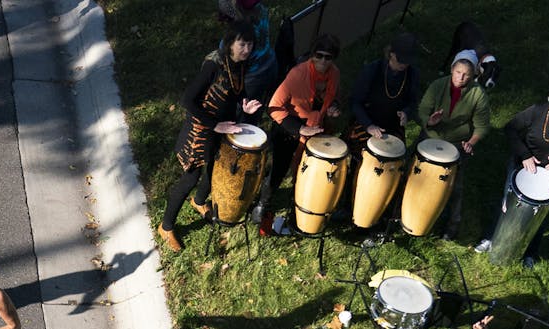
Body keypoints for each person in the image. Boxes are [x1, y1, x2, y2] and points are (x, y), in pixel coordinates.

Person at [157, 23, 262, 252]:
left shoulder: (240, 64)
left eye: (250, 44)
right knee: (190, 179)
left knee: (214, 168)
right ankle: (165, 227)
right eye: (241, 44)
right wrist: (214, 125)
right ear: (230, 44)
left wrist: (244, 105)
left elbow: (237, 90)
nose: (246, 49)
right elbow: (188, 100)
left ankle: (199, 202)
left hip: (222, 127)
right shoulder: (213, 66)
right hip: (200, 131)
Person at [474, 75, 549, 265]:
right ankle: (491, 238)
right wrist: (524, 155)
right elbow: (511, 128)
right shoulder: (538, 111)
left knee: (539, 217)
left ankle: (530, 253)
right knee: (508, 204)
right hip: (523, 167)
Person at [259, 33, 343, 236]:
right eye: (319, 55)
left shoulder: (335, 75)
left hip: (315, 131)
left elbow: (331, 99)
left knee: (306, 175)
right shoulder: (297, 75)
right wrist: (299, 129)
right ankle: (263, 207)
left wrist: (332, 108)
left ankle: (298, 212)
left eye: (328, 57)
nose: (323, 61)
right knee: (278, 172)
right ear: (312, 55)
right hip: (288, 130)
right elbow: (273, 107)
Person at [416, 51, 491, 239]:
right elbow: (422, 111)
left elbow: (482, 126)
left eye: (466, 74)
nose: (461, 78)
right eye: (458, 72)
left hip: (456, 144)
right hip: (431, 136)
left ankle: (452, 226)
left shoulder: (478, 94)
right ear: (451, 70)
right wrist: (431, 122)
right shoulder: (437, 86)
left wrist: (471, 143)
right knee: (413, 172)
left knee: (455, 186)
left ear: (473, 75)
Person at [346, 33, 421, 146]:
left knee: (395, 154)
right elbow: (355, 101)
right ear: (391, 54)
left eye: (407, 61)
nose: (404, 64)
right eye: (401, 60)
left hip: (392, 125)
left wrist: (406, 112)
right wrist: (368, 125)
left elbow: (413, 101)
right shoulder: (372, 70)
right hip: (367, 120)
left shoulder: (412, 74)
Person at [217, 0, 278, 105]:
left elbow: (227, 51)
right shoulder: (261, 10)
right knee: (260, 104)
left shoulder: (243, 31)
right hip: (269, 62)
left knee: (246, 111)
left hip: (252, 75)